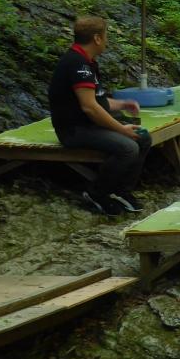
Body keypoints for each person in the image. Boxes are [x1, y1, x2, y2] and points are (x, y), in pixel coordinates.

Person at [48, 16, 151, 216]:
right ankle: (97, 193)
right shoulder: (77, 64)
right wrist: (122, 130)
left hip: (88, 125)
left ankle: (121, 191)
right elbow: (90, 108)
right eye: (106, 36)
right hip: (74, 130)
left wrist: (123, 104)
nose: (107, 41)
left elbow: (99, 101)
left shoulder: (87, 62)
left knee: (143, 137)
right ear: (97, 38)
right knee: (128, 147)